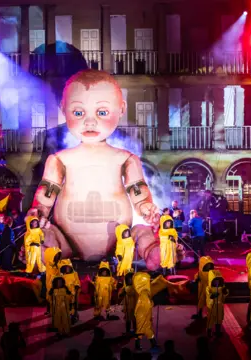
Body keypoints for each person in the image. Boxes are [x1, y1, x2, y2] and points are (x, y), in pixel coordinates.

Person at [29, 69, 160, 267]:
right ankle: (44, 253)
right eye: (79, 112)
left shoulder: (126, 159)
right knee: (45, 236)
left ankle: (151, 251)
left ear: (121, 109)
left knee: (142, 232)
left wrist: (145, 207)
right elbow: (46, 195)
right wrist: (38, 211)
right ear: (63, 109)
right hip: (66, 241)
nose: (90, 121)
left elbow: (138, 190)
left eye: (102, 112)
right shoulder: (59, 159)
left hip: (120, 240)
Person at [133, 272, 159, 351]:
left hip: (143, 315)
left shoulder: (140, 293)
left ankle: (139, 346)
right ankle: (152, 345)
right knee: (145, 330)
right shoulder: (144, 293)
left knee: (141, 330)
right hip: (143, 315)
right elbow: (147, 304)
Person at [205, 270, 228, 337]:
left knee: (219, 319)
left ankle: (218, 331)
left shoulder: (221, 288)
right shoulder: (209, 288)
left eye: (218, 280)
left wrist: (225, 292)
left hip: (220, 306)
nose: (217, 282)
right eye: (215, 280)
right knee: (211, 319)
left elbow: (225, 296)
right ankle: (209, 332)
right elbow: (208, 296)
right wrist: (212, 296)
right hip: (212, 306)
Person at [60, 259, 81, 323]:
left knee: (73, 305)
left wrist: (76, 287)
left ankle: (73, 316)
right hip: (65, 293)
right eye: (66, 268)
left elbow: (77, 282)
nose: (67, 269)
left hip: (73, 292)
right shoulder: (62, 275)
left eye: (68, 267)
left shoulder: (74, 274)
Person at [44, 247, 62, 314]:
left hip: (58, 285)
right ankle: (49, 310)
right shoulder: (49, 265)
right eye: (56, 255)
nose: (57, 257)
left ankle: (56, 310)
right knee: (49, 297)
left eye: (58, 255)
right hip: (50, 285)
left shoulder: (59, 264)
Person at [119, 270, 137, 335]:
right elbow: (120, 295)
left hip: (135, 305)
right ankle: (128, 331)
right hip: (127, 306)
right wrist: (121, 294)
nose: (130, 280)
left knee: (134, 318)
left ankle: (135, 330)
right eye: (129, 279)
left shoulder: (136, 287)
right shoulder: (125, 287)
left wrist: (126, 291)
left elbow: (132, 293)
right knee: (128, 319)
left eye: (131, 279)